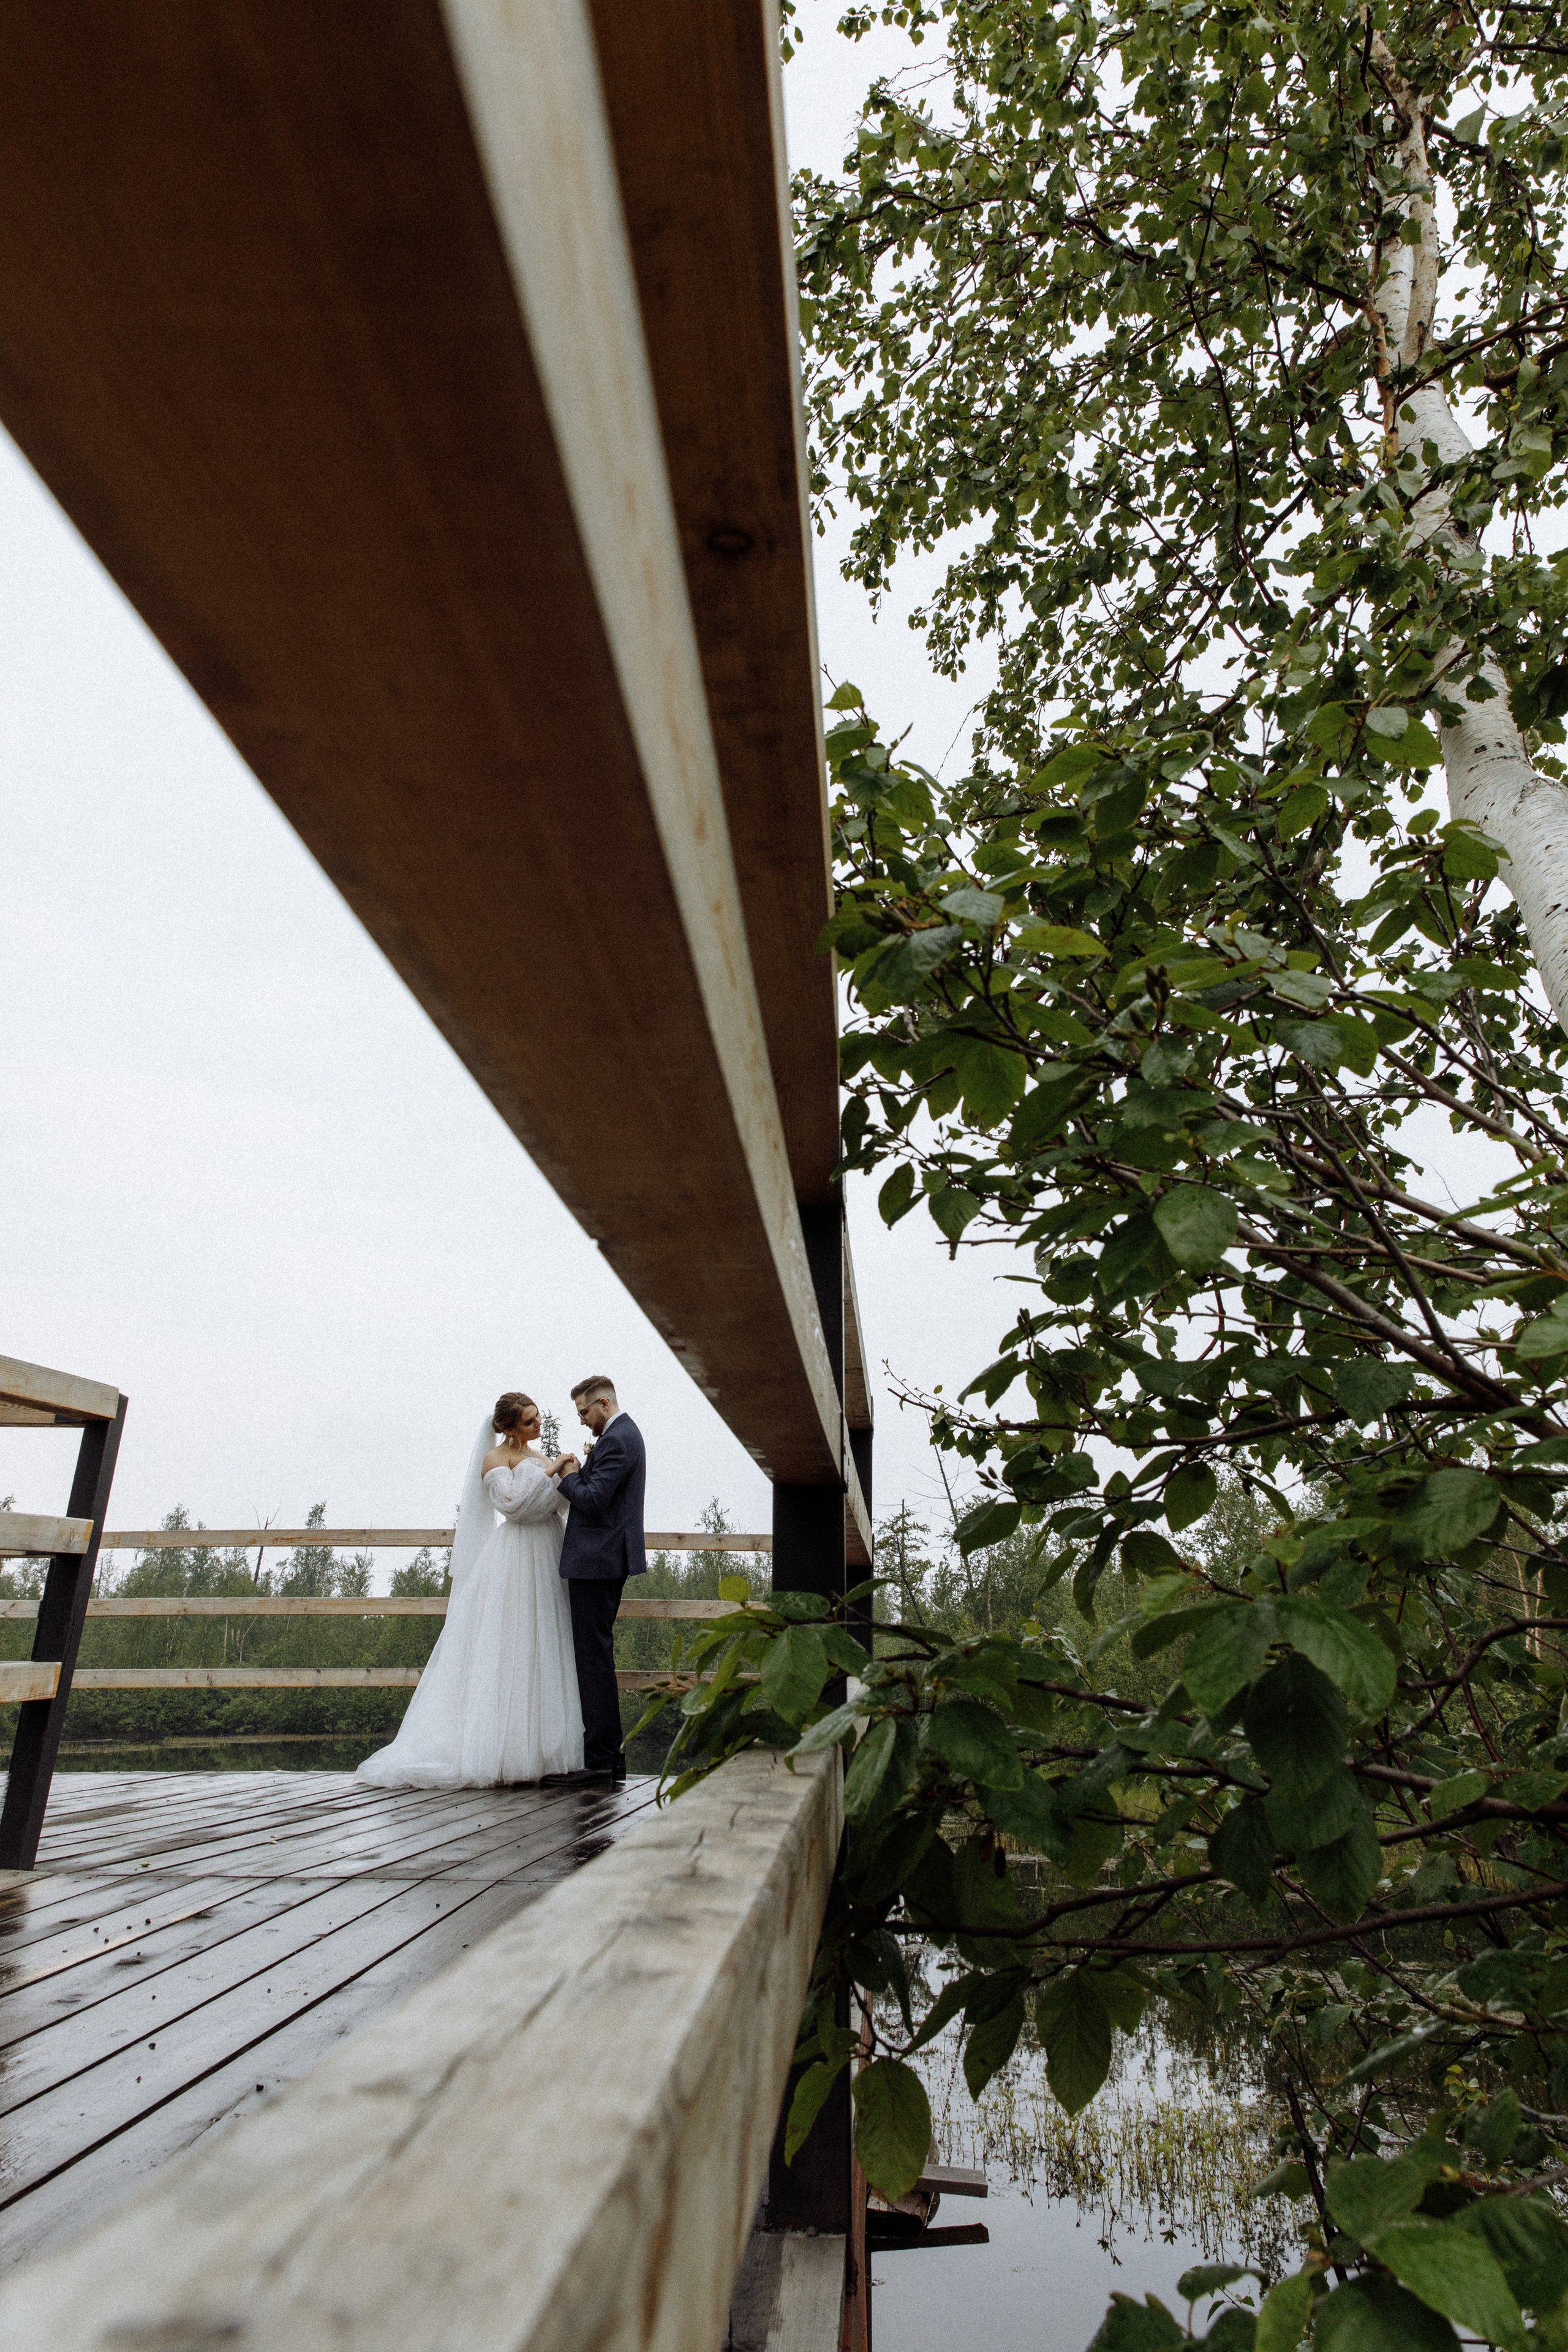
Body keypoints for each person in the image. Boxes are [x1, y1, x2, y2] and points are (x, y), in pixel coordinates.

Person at [355, 1392, 582, 1789]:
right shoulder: (495, 1461)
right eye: (529, 1422)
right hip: (517, 1555)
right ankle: (503, 1750)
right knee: (513, 1644)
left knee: (545, 1643)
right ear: (510, 1427)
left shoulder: (538, 1455)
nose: (537, 1427)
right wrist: (553, 1473)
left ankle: (545, 1751)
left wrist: (570, 1473)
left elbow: (556, 1506)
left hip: (548, 1551)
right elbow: (514, 1507)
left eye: (538, 1419)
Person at [545, 1376, 646, 1787]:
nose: (584, 1422)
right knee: (595, 1659)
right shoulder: (619, 1436)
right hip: (603, 1560)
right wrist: (582, 1471)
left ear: (603, 1403)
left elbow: (591, 1499)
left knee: (593, 1662)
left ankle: (601, 1763)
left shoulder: (619, 1439)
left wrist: (568, 1472)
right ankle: (609, 1760)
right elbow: (599, 1491)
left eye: (585, 1412)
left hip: (598, 1562)